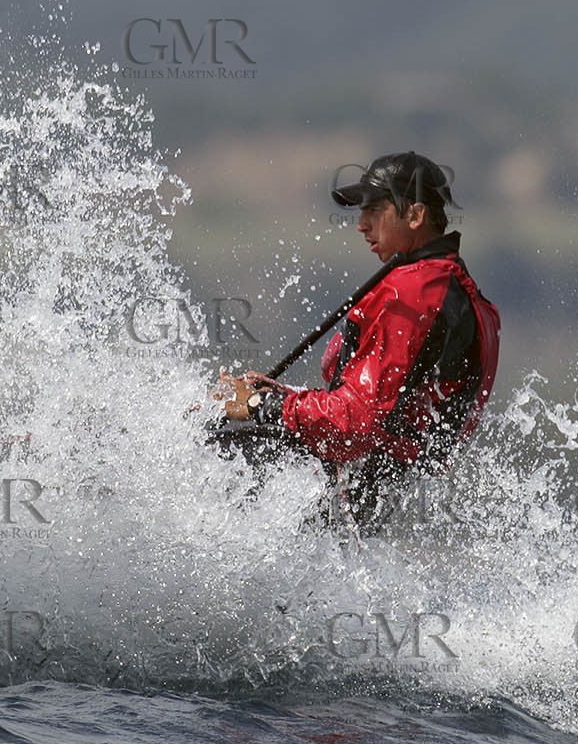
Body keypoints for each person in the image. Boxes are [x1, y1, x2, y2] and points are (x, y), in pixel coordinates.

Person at [213, 151, 501, 531]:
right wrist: (283, 395)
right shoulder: (446, 285)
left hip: (355, 478)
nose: (362, 225)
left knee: (206, 439)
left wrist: (260, 405)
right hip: (368, 486)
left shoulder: (416, 293)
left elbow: (358, 420)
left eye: (375, 211)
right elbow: (385, 409)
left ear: (415, 216)